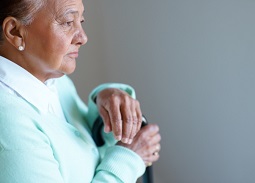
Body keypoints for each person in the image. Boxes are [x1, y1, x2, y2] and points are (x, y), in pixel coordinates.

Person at [0, 0, 161, 182]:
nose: (83, 37)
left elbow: (81, 145)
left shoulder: (53, 80)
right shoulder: (8, 128)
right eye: (68, 22)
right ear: (15, 32)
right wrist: (129, 160)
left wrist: (105, 106)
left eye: (81, 21)